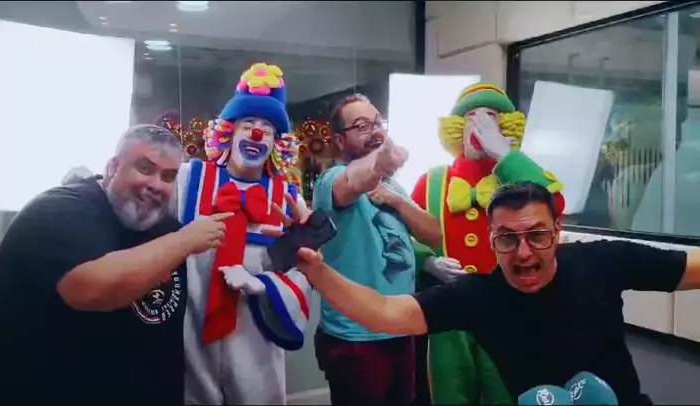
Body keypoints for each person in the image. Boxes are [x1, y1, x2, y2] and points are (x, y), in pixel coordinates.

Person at [295, 181, 700, 405]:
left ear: (557, 231)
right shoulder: (479, 296)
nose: (523, 253)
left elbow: (692, 268)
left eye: (537, 235)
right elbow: (386, 311)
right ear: (491, 240)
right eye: (507, 238)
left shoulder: (603, 260)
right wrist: (319, 272)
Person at [0, 124, 229, 404]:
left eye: (168, 176)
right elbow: (91, 289)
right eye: (144, 168)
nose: (157, 184)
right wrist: (185, 241)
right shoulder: (59, 210)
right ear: (113, 168)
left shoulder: (165, 230)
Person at [411, 83, 565, 405]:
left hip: (510, 308)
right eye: (471, 116)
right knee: (449, 392)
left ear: (505, 126)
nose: (480, 123)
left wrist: (505, 155)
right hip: (450, 310)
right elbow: (405, 236)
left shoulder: (518, 176)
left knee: (509, 390)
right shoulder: (432, 181)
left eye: (491, 116)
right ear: (457, 126)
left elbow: (555, 202)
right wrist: (428, 261)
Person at [178, 62, 313, 405]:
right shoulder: (189, 179)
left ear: (277, 143)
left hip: (256, 341)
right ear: (228, 132)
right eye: (248, 124)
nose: (256, 134)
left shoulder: (288, 199)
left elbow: (307, 271)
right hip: (192, 336)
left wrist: (264, 285)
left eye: (267, 129)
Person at [311, 93, 442, 405]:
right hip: (356, 337)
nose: (374, 131)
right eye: (361, 126)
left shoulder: (394, 188)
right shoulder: (331, 181)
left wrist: (395, 200)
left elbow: (434, 233)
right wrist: (377, 164)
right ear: (340, 141)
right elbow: (354, 181)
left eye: (377, 123)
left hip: (400, 327)